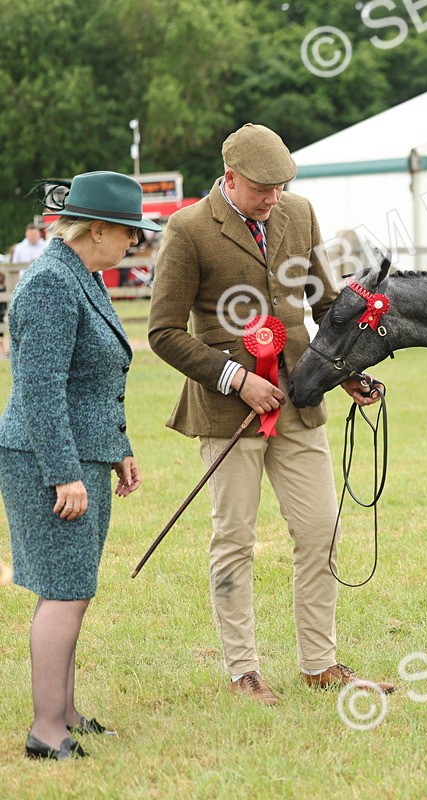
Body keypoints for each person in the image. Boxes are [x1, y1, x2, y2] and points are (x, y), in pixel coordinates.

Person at [147, 123, 393, 704]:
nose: (275, 197)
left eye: (283, 186)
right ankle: (243, 671)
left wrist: (347, 371)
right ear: (229, 177)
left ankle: (319, 663)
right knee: (234, 537)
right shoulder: (186, 231)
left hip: (301, 400)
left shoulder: (299, 212)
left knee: (319, 530)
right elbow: (162, 332)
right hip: (227, 410)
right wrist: (236, 378)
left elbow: (327, 305)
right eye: (264, 188)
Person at [0, 171, 154, 760]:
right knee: (63, 592)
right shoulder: (50, 285)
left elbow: (90, 380)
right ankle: (46, 730)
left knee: (75, 588)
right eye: (129, 234)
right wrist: (64, 472)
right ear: (97, 228)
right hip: (48, 458)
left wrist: (117, 448)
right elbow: (39, 388)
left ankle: (64, 711)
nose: (133, 245)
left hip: (82, 452)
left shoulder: (77, 275)